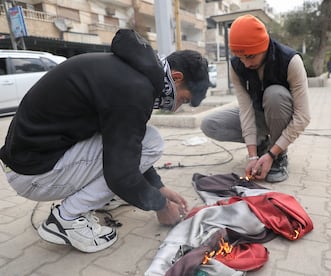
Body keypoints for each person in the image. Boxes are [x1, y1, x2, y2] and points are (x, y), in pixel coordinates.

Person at [0, 29, 210, 253]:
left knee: (140, 143)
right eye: (183, 99)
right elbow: (121, 174)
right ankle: (65, 219)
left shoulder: (131, 73)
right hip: (33, 174)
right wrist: (161, 205)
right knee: (153, 142)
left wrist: (159, 187)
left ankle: (98, 198)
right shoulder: (135, 90)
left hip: (29, 160)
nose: (176, 107)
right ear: (176, 78)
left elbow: (124, 144)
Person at [201, 14, 310, 183]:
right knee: (210, 124)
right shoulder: (236, 66)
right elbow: (245, 111)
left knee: (274, 94)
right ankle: (262, 146)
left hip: (281, 115)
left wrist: (273, 153)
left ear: (264, 46)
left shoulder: (290, 61)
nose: (245, 64)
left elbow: (303, 116)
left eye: (250, 56)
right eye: (240, 57)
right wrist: (252, 156)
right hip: (259, 115)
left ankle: (278, 155)